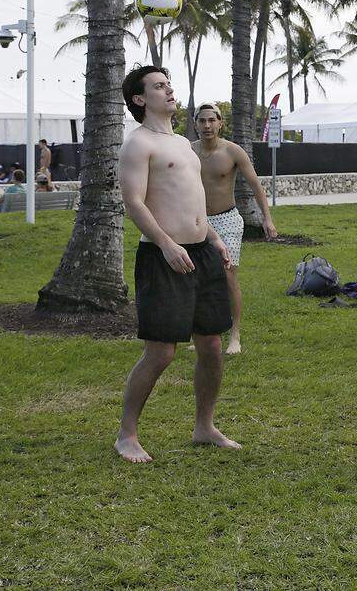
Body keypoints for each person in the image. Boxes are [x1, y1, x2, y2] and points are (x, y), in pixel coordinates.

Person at [114, 65, 239, 464]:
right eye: (158, 86)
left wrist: (215, 238)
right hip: (163, 255)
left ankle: (204, 426)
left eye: (169, 84)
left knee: (213, 345)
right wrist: (166, 243)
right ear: (139, 99)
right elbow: (133, 201)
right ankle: (126, 434)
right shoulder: (138, 144)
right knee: (161, 353)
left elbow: (193, 197)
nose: (169, 91)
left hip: (201, 252)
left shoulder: (184, 145)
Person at [191, 102, 277, 355]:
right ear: (196, 123)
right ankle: (205, 332)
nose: (207, 125)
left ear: (220, 123)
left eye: (211, 120)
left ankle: (235, 334)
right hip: (197, 222)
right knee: (197, 278)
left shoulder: (233, 152)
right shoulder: (188, 152)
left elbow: (256, 186)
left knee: (228, 276)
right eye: (202, 120)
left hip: (227, 220)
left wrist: (267, 219)